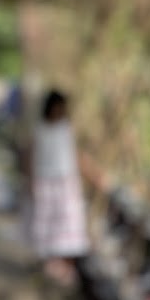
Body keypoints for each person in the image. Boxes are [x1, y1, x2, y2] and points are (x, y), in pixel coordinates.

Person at [30, 89, 90, 284]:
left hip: (65, 181)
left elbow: (75, 155)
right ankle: (50, 262)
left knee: (69, 221)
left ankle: (66, 264)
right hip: (46, 181)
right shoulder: (40, 130)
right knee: (47, 221)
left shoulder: (66, 129)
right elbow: (32, 155)